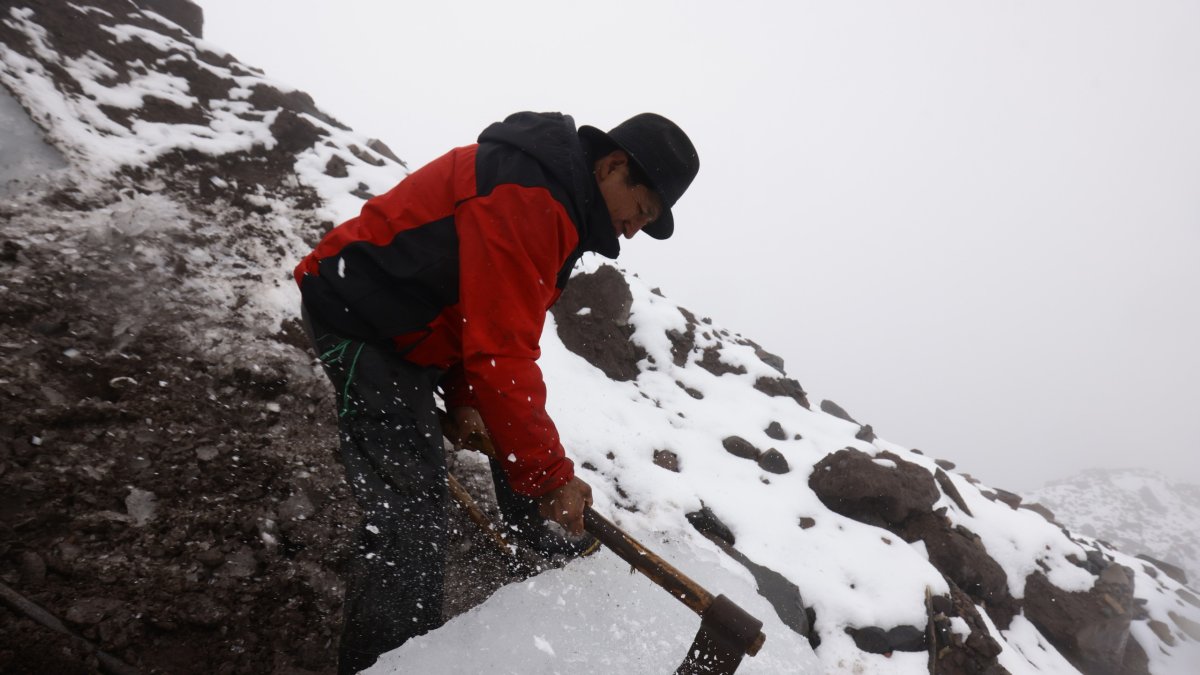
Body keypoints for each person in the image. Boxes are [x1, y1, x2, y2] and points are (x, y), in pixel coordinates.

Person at [294, 111, 699, 674]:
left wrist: (460, 394)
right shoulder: (530, 199)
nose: (634, 229)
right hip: (359, 318)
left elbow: (475, 307)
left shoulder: (557, 201)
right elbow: (501, 354)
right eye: (643, 209)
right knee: (411, 516)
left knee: (502, 416)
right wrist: (552, 477)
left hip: (415, 325)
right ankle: (384, 663)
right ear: (612, 166)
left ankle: (530, 529)